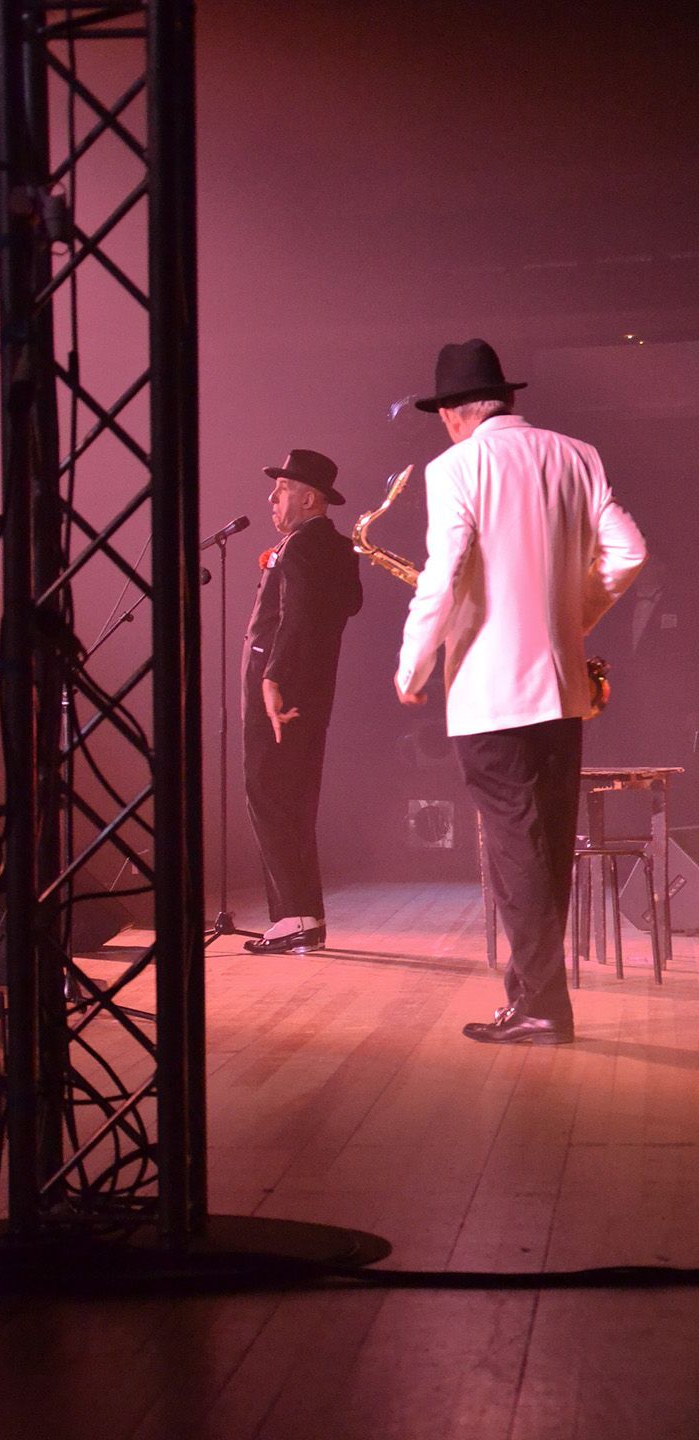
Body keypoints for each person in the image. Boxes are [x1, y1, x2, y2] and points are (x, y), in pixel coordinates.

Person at [395, 339, 647, 1043]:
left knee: (516, 852)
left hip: (489, 694)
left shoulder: (454, 467)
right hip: (563, 689)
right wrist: (571, 618)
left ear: (453, 412)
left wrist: (413, 666)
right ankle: (535, 998)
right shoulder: (577, 455)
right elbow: (629, 552)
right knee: (547, 849)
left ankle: (542, 1006)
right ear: (504, 398)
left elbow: (443, 573)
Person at [241, 448, 362, 955]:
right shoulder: (335, 547)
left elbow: (297, 615)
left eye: (284, 489)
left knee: (270, 792)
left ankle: (294, 915)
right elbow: (346, 604)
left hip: (283, 691)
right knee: (293, 798)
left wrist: (273, 677)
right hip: (311, 690)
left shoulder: (304, 547)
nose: (272, 497)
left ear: (310, 499)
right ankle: (306, 916)